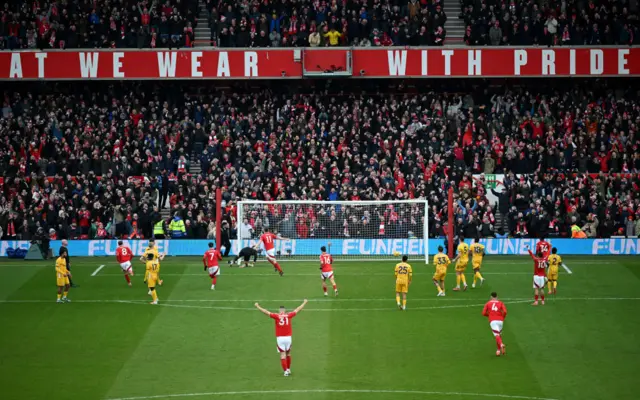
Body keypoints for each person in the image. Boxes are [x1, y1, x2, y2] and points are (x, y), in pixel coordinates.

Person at [254, 299, 308, 376]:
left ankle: (285, 372)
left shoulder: (277, 316)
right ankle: (289, 369)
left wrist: (258, 306)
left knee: (282, 354)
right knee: (288, 354)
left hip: (280, 338)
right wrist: (304, 302)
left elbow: (266, 312)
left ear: (279, 311)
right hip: (288, 337)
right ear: (285, 311)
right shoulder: (289, 315)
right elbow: (298, 309)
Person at [482, 292, 508, 356]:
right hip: (500, 321)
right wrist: (503, 317)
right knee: (498, 335)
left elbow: (483, 313)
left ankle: (501, 345)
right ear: (497, 297)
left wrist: (489, 315)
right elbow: (505, 311)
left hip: (493, 321)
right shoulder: (500, 303)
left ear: (491, 297)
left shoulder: (488, 303)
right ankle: (498, 350)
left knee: (496, 335)